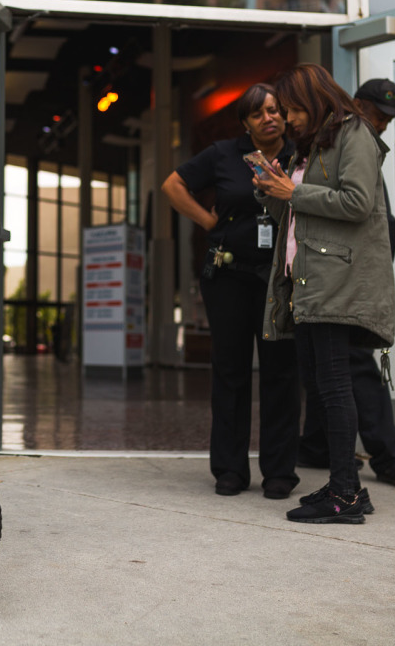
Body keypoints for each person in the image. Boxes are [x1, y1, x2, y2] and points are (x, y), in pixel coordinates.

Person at [254, 63, 395, 525]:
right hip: (310, 283)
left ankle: (346, 495)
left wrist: (292, 191)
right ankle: (345, 486)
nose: (288, 119)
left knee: (335, 389)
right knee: (322, 386)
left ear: (313, 102)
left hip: (337, 282)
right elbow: (296, 213)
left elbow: (357, 203)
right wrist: (272, 190)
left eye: (293, 109)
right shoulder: (315, 144)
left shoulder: (354, 133)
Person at [162, 84, 300, 499]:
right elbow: (172, 185)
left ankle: (279, 472)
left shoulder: (299, 155)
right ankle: (230, 470)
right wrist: (208, 222)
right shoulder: (224, 153)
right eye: (258, 113)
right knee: (230, 373)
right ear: (246, 122)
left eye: (274, 110)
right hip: (229, 277)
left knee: (281, 374)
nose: (268, 118)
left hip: (281, 279)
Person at [296, 78, 395, 487]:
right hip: (313, 274)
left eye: (389, 118)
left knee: (345, 370)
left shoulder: (356, 139)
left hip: (340, 277)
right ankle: (333, 452)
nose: (383, 124)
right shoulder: (336, 139)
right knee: (322, 368)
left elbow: (365, 211)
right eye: (377, 113)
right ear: (355, 103)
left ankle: (382, 458)